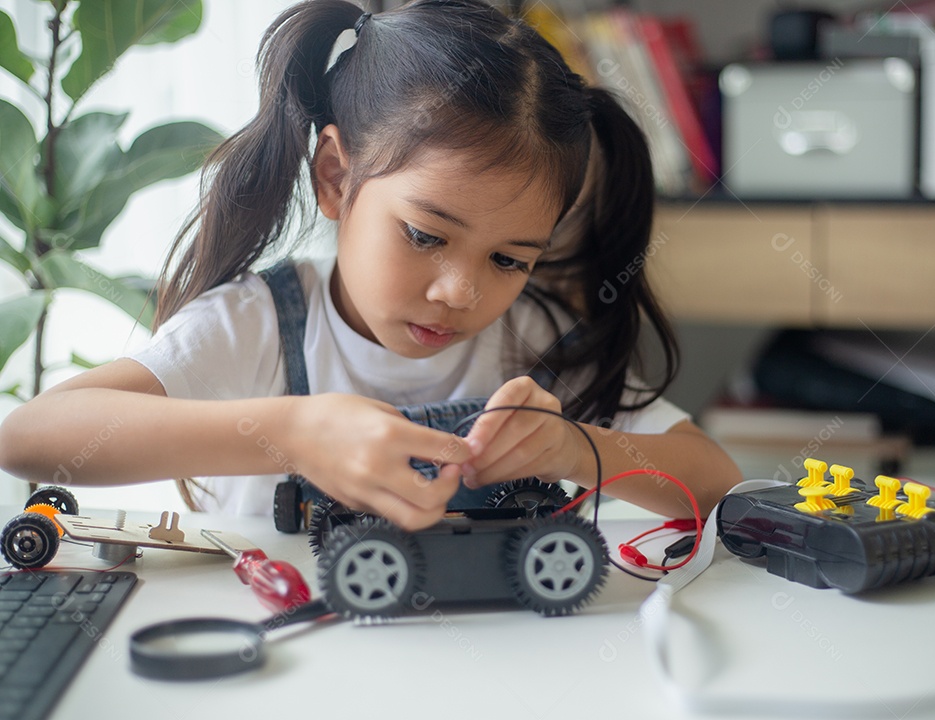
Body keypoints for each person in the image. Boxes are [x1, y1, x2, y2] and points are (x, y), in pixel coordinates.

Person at [0, 0, 741, 530]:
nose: (461, 290)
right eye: (424, 235)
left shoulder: (534, 340)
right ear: (334, 178)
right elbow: (32, 435)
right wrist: (294, 433)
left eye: (511, 258)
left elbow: (715, 482)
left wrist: (584, 449)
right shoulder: (256, 327)